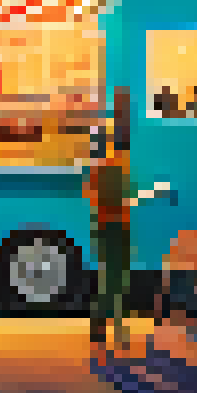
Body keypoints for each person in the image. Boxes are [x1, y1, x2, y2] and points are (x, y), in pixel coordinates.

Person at [85, 128, 133, 354]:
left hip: (102, 227)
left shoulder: (94, 170)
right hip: (117, 227)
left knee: (106, 278)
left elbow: (91, 198)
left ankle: (100, 330)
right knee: (118, 280)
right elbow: (124, 198)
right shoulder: (117, 167)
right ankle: (117, 329)